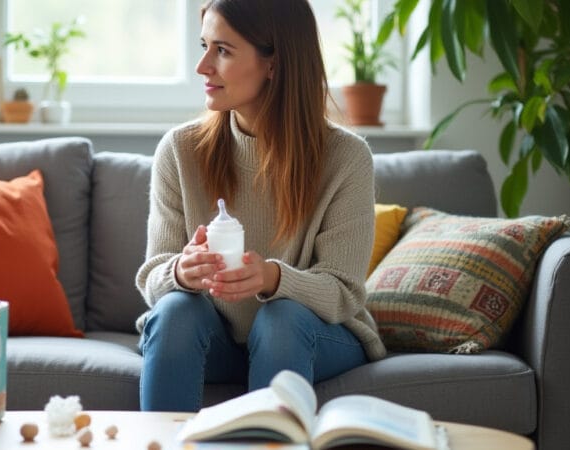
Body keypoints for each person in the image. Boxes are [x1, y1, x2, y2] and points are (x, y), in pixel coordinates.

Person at [135, 0, 387, 412]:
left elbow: (345, 292)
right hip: (215, 338)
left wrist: (272, 278)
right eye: (205, 45)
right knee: (176, 311)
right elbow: (152, 278)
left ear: (274, 63)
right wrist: (181, 271)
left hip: (310, 333)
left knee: (280, 319)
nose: (202, 66)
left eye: (223, 50)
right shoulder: (180, 151)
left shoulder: (346, 158)